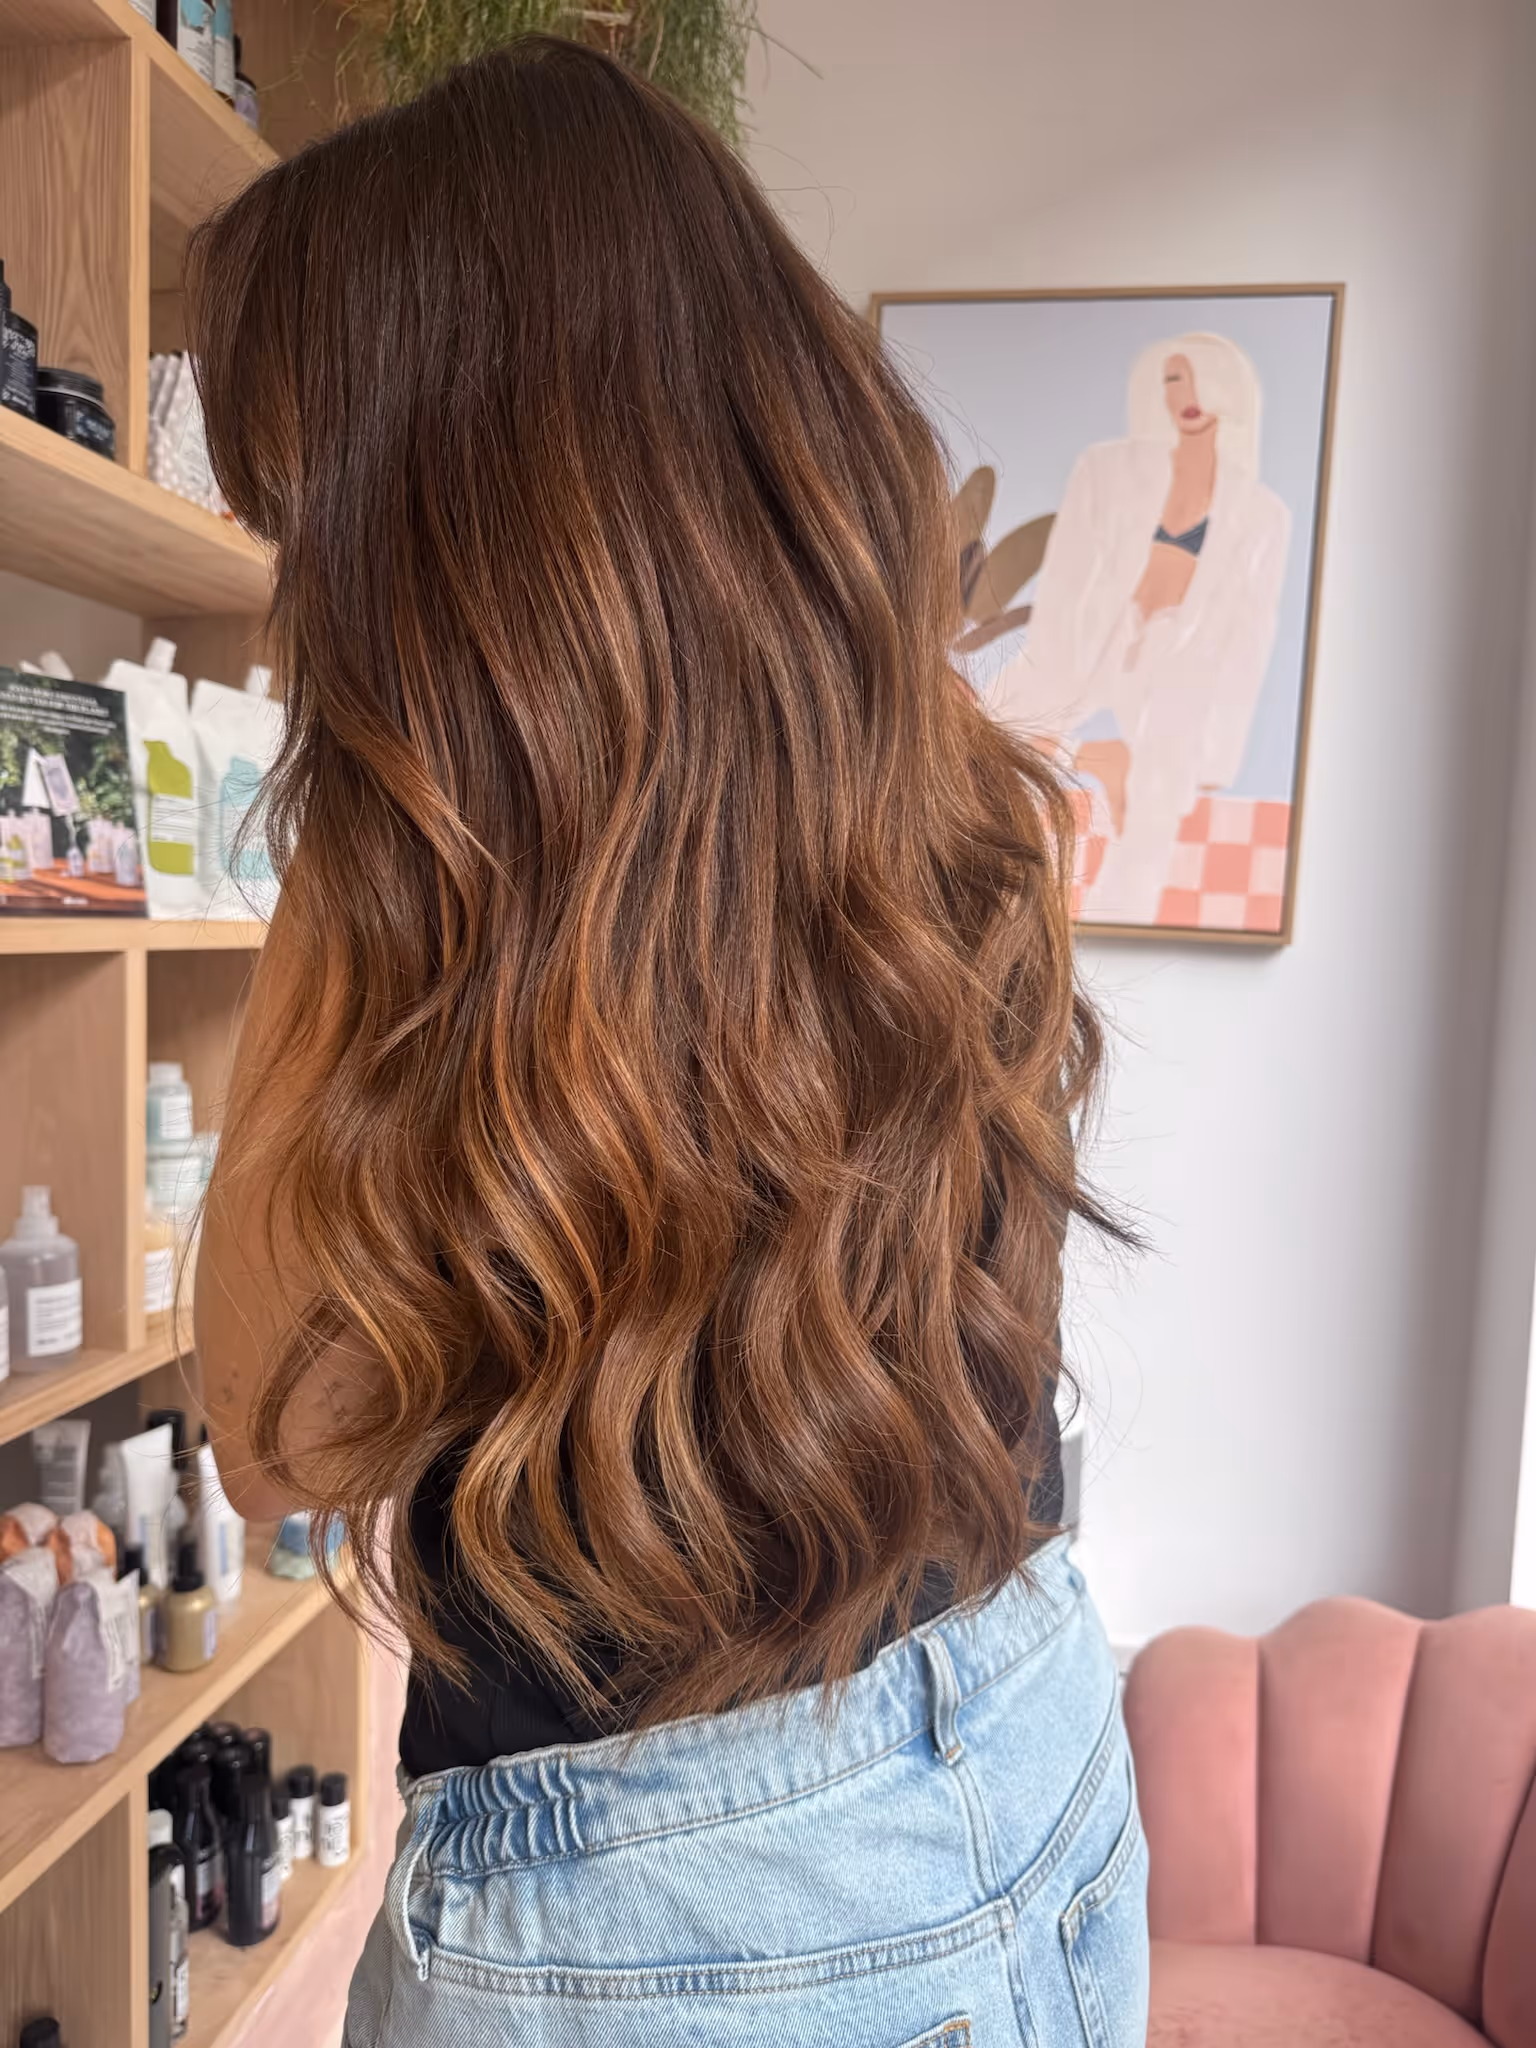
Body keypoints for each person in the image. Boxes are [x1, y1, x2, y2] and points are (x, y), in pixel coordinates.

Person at [188, 37, 1148, 2048]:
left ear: (445, 535)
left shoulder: (419, 880)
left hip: (685, 1929)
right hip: (1025, 1742)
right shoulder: (941, 797)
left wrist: (346, 877)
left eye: (319, 524)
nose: (301, 598)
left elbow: (273, 1422)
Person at [994, 333, 1290, 925]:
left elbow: (1247, 641)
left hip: (1179, 656)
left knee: (1156, 810)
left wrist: (1215, 757)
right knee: (1001, 741)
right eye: (1172, 380)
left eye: (1198, 378)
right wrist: (1053, 659)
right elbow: (1067, 570)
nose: (1186, 394)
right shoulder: (1108, 468)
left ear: (1228, 391)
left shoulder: (1262, 513)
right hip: (1098, 634)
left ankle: (1115, 921)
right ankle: (996, 904)